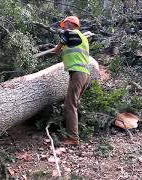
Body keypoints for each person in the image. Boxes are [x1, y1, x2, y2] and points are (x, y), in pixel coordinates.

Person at [52, 16, 90, 145]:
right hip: (85, 75)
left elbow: (57, 50)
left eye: (65, 24)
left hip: (78, 73)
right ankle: (72, 130)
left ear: (70, 23)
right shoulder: (82, 37)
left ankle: (73, 138)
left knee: (70, 104)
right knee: (73, 103)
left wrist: (55, 49)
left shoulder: (69, 33)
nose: (64, 27)